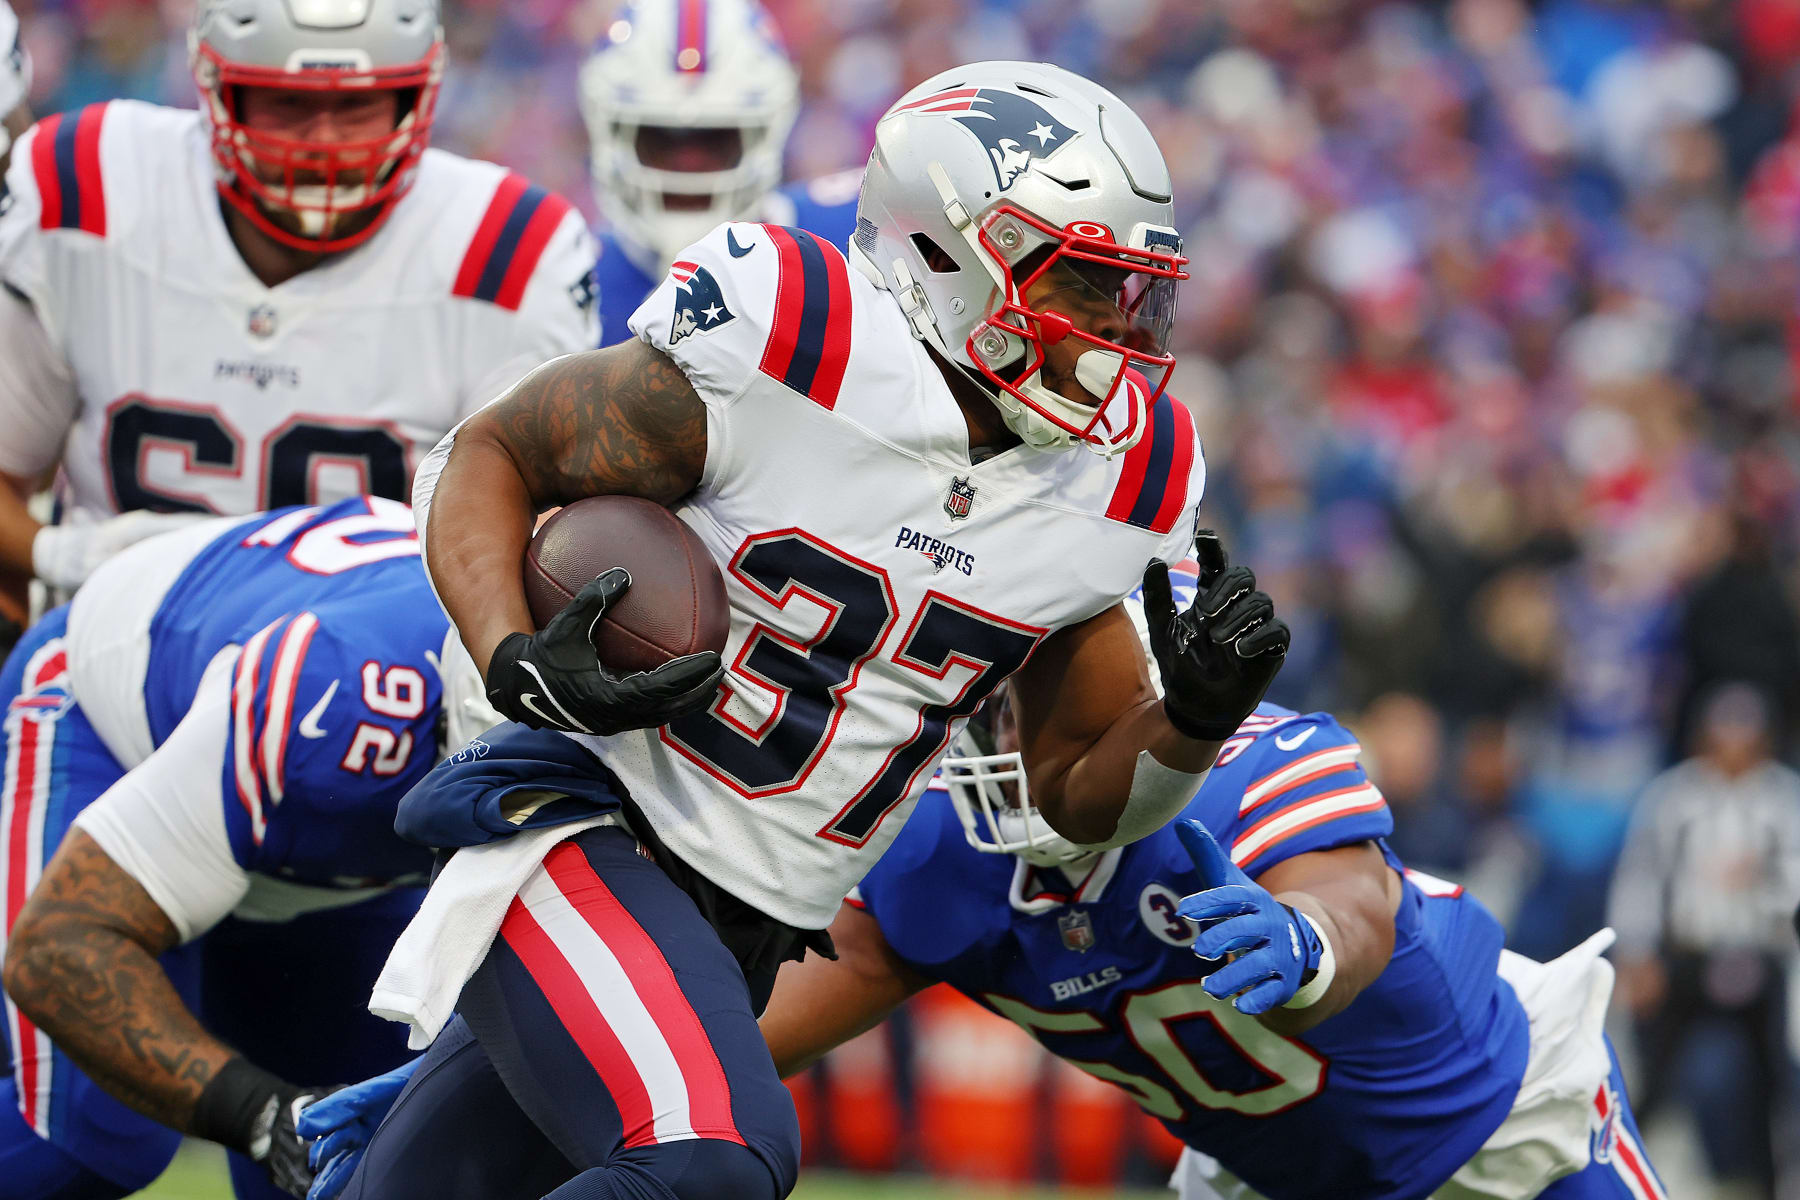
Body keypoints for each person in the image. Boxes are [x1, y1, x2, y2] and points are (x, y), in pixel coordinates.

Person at [336, 61, 1286, 1200]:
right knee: (714, 1170)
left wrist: (1185, 724)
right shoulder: (799, 335)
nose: (1108, 332)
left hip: (754, 921)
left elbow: (1074, 793)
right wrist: (511, 656)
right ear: (947, 252)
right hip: (580, 829)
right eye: (1078, 285)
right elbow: (492, 455)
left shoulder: (1130, 473)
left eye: (1131, 295)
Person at [0, 0, 597, 599]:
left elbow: (528, 553)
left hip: (378, 667)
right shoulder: (91, 184)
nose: (324, 142)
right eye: (287, 104)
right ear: (216, 89)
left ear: (418, 94)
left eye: (357, 104)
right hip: (100, 642)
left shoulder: (506, 249)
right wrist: (57, 557)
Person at [0, 498, 477, 1200]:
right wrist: (256, 1114)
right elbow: (57, 945)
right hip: (116, 722)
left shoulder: (650, 725)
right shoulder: (341, 703)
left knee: (363, 1158)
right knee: (91, 1139)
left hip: (327, 832)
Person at [1608, 682, 1800, 1200]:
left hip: (1762, 956)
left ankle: (1774, 1183)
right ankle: (1624, 1179)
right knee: (1651, 1078)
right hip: (1686, 956)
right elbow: (1641, 875)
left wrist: (1765, 886)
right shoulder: (1674, 795)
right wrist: (1637, 951)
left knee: (1776, 1082)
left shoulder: (1784, 798)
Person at [580, 0, 860, 345]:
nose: (687, 168)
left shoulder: (849, 244)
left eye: (716, 141)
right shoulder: (568, 283)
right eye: (657, 140)